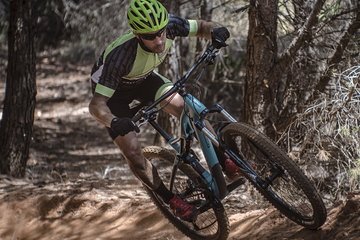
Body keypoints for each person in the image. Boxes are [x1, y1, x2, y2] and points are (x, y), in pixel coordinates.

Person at [89, 0, 238, 221]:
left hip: (143, 79)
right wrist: (113, 122)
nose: (159, 40)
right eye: (150, 36)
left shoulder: (170, 25)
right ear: (137, 34)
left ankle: (223, 158)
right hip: (114, 96)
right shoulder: (120, 57)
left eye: (161, 33)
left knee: (189, 108)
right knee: (133, 153)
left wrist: (218, 31)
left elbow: (204, 26)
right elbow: (96, 105)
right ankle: (171, 199)